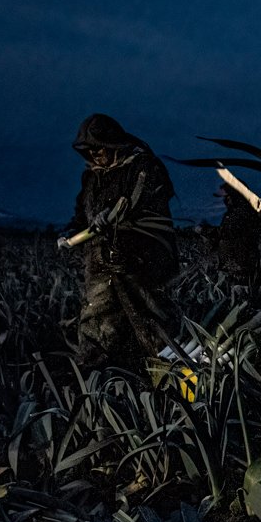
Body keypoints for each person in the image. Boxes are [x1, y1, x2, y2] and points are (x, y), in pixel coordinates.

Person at [66, 113, 178, 367]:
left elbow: (152, 204)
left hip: (142, 260)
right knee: (97, 318)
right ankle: (99, 379)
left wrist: (118, 217)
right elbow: (82, 216)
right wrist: (70, 234)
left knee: (152, 317)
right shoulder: (92, 177)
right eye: (89, 150)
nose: (95, 155)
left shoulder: (144, 167)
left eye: (99, 148)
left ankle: (164, 375)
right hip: (100, 261)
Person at [212, 182, 261, 286]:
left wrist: (202, 230)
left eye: (227, 197)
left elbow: (224, 234)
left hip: (240, 272)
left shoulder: (240, 214)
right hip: (236, 269)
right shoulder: (240, 212)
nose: (225, 201)